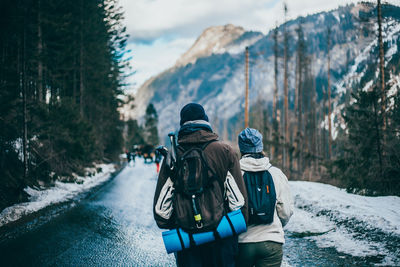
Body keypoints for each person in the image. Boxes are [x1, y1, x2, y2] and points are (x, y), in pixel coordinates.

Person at [153, 103, 248, 267]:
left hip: (188, 245)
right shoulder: (225, 151)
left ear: (182, 125)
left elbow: (161, 215)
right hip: (222, 241)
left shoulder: (173, 156)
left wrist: (181, 222)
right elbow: (240, 204)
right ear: (206, 122)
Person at [236, 128, 294, 267]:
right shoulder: (276, 173)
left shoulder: (234, 174)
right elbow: (285, 210)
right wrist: (278, 224)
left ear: (241, 148)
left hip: (242, 243)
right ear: (260, 146)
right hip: (271, 242)